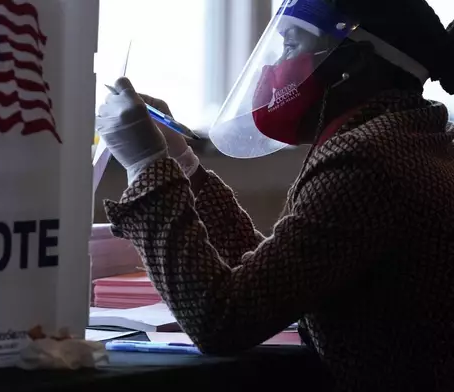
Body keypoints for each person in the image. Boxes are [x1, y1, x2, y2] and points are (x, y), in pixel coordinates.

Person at [95, 0, 454, 390]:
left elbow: (222, 321)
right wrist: (182, 163)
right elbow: (275, 283)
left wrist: (145, 166)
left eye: (291, 45)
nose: (275, 67)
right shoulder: (412, 138)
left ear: (353, 63)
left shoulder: (366, 162)